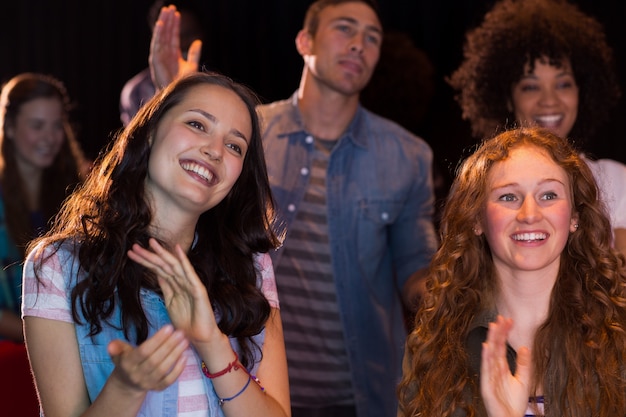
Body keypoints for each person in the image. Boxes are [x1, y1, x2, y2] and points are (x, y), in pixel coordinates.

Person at [149, 2, 439, 416]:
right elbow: (168, 202)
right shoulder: (246, 137)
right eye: (345, 28)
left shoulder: (407, 155)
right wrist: (175, 101)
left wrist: (457, 291)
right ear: (305, 41)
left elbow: (417, 264)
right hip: (250, 386)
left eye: (372, 37)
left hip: (364, 394)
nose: (359, 44)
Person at [22, 71, 290, 416]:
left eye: (234, 145)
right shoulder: (57, 265)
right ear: (149, 133)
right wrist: (126, 388)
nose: (214, 150)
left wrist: (213, 344)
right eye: (197, 125)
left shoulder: (251, 266)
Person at [397, 126, 626, 417]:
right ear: (477, 219)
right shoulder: (433, 345)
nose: (529, 214)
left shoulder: (619, 333)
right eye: (508, 197)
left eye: (548, 195)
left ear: (575, 217)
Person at [447, 0, 626, 258]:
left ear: (581, 91)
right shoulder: (477, 184)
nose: (549, 100)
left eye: (563, 84)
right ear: (507, 98)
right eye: (531, 87)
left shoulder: (616, 180)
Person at [0, 72, 87, 343]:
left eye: (57, 125)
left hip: (73, 347)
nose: (49, 137)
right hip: (13, 359)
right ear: (10, 128)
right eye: (37, 125)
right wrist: (50, 342)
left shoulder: (80, 193)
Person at [119, 0, 206, 126]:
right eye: (176, 36)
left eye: (189, 34)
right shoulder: (136, 91)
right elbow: (139, 141)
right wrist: (167, 89)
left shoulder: (217, 85)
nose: (183, 43)